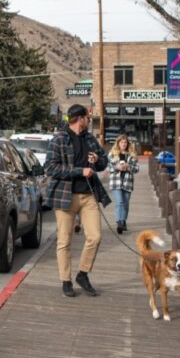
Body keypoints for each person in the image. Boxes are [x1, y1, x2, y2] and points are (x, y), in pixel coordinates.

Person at [44, 104, 110, 297]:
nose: (89, 121)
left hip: (88, 195)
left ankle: (83, 273)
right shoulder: (59, 139)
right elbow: (50, 168)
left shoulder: (90, 139)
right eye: (88, 118)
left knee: (95, 237)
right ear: (80, 118)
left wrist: (97, 159)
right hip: (65, 196)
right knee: (64, 241)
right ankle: (66, 280)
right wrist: (79, 171)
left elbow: (104, 161)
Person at [108, 134, 139, 234]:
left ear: (128, 144)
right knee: (119, 202)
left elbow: (136, 169)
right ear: (118, 143)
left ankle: (123, 220)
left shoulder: (132, 155)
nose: (124, 144)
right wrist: (117, 167)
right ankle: (119, 223)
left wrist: (128, 166)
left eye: (125, 142)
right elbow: (108, 167)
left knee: (125, 203)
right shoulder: (112, 154)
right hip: (116, 181)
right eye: (122, 142)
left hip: (127, 182)